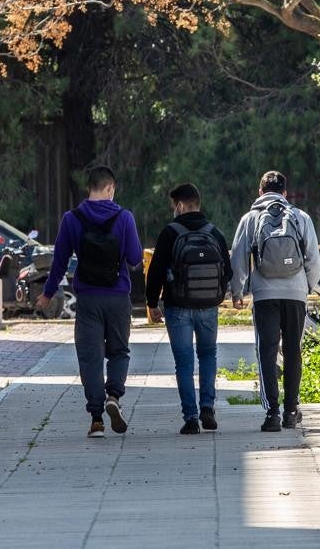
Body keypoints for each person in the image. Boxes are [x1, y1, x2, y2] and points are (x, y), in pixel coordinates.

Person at [37, 166, 143, 438]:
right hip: (118, 297)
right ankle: (114, 397)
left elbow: (59, 261)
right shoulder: (124, 218)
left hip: (87, 299)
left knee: (90, 357)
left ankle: (96, 418)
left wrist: (48, 294)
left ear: (90, 188)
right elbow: (134, 259)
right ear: (110, 188)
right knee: (119, 351)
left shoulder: (72, 219)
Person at [229, 171, 320, 433]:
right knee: (293, 351)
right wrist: (309, 286)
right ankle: (292, 411)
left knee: (267, 353)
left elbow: (238, 258)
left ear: (260, 192)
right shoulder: (300, 217)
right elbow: (313, 259)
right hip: (295, 295)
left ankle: (272, 413)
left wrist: (238, 291)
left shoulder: (250, 218)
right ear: (285, 193)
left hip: (264, 295)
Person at [146, 183, 232, 435]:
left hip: (178, 307)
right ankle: (208, 407)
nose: (173, 210)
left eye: (174, 206)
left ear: (181, 205)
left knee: (183, 362)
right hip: (208, 307)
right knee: (208, 356)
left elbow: (156, 272)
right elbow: (228, 272)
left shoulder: (170, 233)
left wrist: (152, 303)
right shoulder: (214, 233)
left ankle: (191, 418)